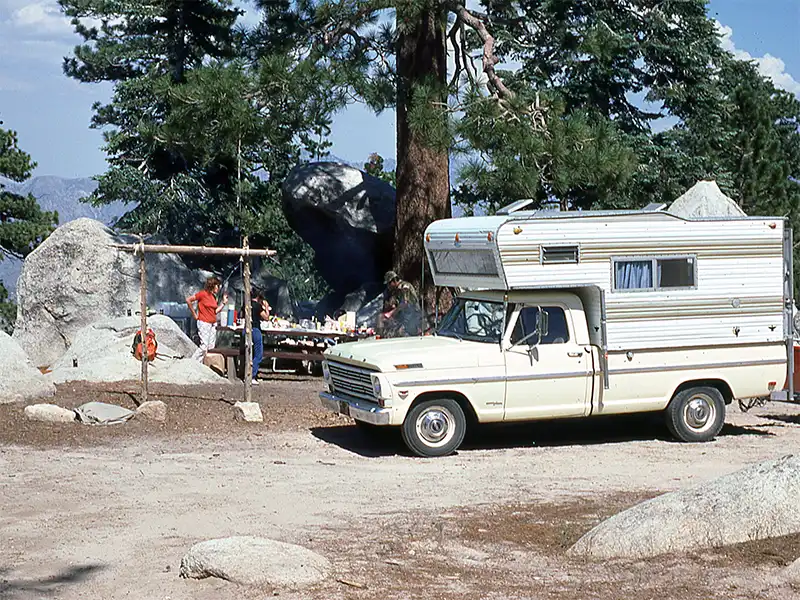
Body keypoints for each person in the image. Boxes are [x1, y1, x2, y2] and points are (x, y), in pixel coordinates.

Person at [186, 277, 228, 363]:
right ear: (212, 286)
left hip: (213, 323)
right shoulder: (202, 294)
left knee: (210, 347)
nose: (218, 288)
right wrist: (194, 314)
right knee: (204, 346)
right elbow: (189, 300)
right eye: (217, 286)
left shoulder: (213, 297)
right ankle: (192, 362)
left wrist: (223, 303)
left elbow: (214, 312)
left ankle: (204, 365)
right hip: (204, 322)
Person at [378, 270, 420, 337]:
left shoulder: (404, 287)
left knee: (399, 332)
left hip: (412, 316)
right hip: (403, 316)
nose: (388, 286)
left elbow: (404, 303)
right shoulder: (395, 290)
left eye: (389, 283)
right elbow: (394, 303)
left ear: (394, 281)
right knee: (382, 319)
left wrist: (391, 313)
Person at [242, 289, 271, 384]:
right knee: (258, 353)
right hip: (255, 329)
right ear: (259, 297)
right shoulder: (257, 306)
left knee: (248, 352)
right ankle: (252, 376)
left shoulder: (246, 304)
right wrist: (266, 308)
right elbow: (266, 317)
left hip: (245, 329)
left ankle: (245, 373)